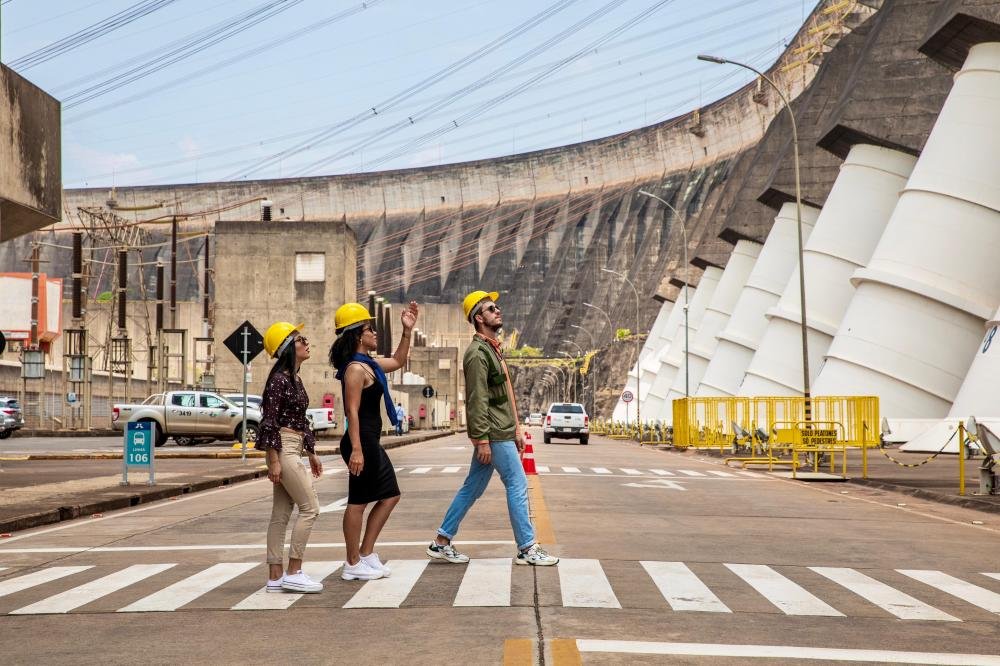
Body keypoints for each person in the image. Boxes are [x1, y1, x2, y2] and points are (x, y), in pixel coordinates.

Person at [427, 290, 559, 567]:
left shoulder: (492, 349)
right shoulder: (477, 354)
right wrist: (482, 440)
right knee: (517, 484)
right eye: (491, 309)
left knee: (472, 487)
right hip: (493, 433)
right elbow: (477, 400)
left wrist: (517, 428)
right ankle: (527, 548)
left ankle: (441, 541)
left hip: (501, 430)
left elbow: (505, 392)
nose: (497, 311)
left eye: (496, 307)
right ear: (478, 318)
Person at [330, 301, 419, 581]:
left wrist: (407, 331)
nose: (375, 333)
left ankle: (366, 553)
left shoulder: (369, 365)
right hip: (361, 442)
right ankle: (352, 562)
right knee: (358, 502)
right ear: (358, 335)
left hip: (369, 440)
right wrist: (356, 449)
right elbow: (351, 411)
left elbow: (398, 361)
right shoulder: (355, 369)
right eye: (370, 329)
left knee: (390, 495)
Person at [258, 321, 324, 594]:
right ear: (288, 347)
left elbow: (301, 420)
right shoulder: (279, 381)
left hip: (294, 447)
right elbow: (269, 422)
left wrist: (311, 452)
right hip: (282, 448)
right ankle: (294, 571)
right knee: (310, 508)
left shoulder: (294, 379)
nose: (307, 343)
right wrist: (273, 459)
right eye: (301, 339)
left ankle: (275, 575)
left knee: (281, 513)